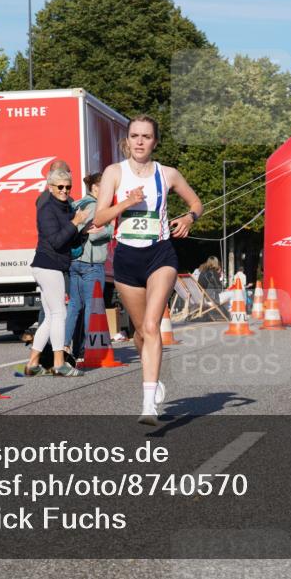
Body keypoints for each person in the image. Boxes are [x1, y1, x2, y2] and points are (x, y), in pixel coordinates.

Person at [93, 115, 203, 425]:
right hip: (127, 257)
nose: (140, 141)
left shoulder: (168, 174)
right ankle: (153, 378)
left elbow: (196, 202)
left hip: (160, 255)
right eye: (135, 136)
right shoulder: (114, 172)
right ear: (127, 140)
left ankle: (148, 404)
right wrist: (126, 203)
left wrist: (189, 218)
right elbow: (100, 218)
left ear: (155, 141)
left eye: (146, 136)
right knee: (141, 333)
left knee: (153, 327)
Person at [22, 168, 92, 377]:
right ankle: (59, 363)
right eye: (60, 187)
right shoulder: (47, 209)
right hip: (47, 265)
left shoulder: (66, 208)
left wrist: (84, 231)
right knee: (60, 313)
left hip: (53, 265)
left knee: (51, 317)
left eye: (68, 187)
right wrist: (75, 223)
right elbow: (56, 241)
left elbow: (70, 240)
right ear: (50, 187)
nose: (64, 190)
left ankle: (33, 363)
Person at [62, 172, 114, 357]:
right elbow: (95, 233)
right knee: (92, 307)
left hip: (74, 261)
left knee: (74, 305)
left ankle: (65, 346)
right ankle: (88, 349)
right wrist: (110, 228)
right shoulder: (94, 206)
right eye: (106, 188)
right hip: (91, 263)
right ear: (95, 188)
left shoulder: (77, 204)